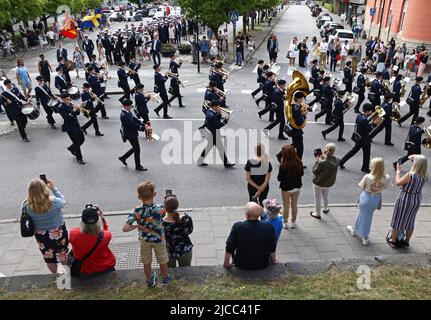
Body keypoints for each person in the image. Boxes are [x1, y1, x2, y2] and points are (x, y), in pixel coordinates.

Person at [122, 181, 172, 287]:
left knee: (146, 261)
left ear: (139, 197)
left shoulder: (136, 210)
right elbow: (168, 212)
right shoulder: (160, 208)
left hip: (144, 240)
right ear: (154, 194)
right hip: (159, 239)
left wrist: (138, 226)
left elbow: (125, 228)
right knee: (162, 260)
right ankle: (165, 279)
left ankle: (150, 280)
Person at [24, 178, 68, 274]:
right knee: (63, 252)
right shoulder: (54, 202)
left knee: (49, 256)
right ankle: (66, 271)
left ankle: (54, 274)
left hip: (42, 235)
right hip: (58, 232)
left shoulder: (27, 206)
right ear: (44, 189)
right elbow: (64, 201)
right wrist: (53, 188)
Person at [347, 158, 391, 245]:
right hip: (376, 199)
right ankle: (355, 229)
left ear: (374, 167)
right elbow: (386, 187)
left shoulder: (367, 176)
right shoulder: (387, 177)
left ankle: (365, 236)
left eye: (372, 165)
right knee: (365, 215)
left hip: (366, 197)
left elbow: (362, 186)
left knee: (366, 217)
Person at [388, 155, 428, 248]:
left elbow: (398, 183)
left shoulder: (410, 175)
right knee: (410, 220)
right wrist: (413, 157)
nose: (412, 162)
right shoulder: (425, 175)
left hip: (405, 198)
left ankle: (393, 240)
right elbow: (411, 157)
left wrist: (398, 171)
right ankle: (406, 241)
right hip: (416, 199)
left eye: (413, 161)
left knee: (398, 219)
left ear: (416, 164)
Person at [224, 202, 277, 270]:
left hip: (241, 263)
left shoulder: (238, 227)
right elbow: (272, 247)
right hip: (262, 263)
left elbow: (230, 246)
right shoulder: (268, 227)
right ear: (259, 215)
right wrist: (274, 261)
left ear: (246, 215)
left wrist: (226, 263)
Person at [69, 205, 116, 278]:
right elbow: (105, 230)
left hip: (84, 271)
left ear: (82, 221)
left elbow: (79, 231)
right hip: (105, 267)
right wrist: (101, 216)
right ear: (98, 221)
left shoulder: (73, 234)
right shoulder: (107, 235)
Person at [197, 99, 235, 168]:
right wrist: (226, 121)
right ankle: (226, 164)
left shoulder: (210, 111)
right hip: (213, 134)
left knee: (210, 148)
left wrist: (219, 113)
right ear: (214, 107)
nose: (219, 107)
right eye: (218, 106)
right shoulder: (211, 115)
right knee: (218, 148)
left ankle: (200, 160)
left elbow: (216, 117)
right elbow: (218, 126)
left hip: (211, 133)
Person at [340, 103, 374, 173]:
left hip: (359, 137)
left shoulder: (359, 116)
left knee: (353, 151)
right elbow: (369, 129)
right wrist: (374, 123)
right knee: (367, 154)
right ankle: (365, 167)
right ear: (368, 111)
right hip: (364, 139)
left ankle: (342, 161)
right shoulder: (365, 120)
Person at [162, 195, 194, 267]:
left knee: (170, 272)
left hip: (169, 251)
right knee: (186, 273)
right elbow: (189, 231)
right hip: (185, 250)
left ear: (165, 207)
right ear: (177, 206)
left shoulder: (161, 222)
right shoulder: (186, 219)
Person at [277, 145, 304, 229]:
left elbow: (279, 178)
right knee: (294, 205)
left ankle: (285, 222)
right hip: (296, 187)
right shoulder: (299, 162)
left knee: (286, 206)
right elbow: (302, 174)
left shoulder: (283, 165)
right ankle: (293, 222)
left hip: (286, 188)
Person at [118, 99, 148, 171]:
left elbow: (135, 119)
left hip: (132, 133)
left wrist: (143, 124)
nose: (131, 106)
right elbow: (132, 125)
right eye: (130, 105)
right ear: (126, 106)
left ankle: (123, 157)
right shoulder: (124, 115)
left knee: (135, 148)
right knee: (137, 149)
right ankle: (138, 166)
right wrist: (143, 128)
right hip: (130, 134)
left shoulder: (127, 111)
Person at [58, 93, 86, 164]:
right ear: (63, 100)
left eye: (69, 98)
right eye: (67, 99)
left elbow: (77, 114)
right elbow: (67, 117)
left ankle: (71, 148)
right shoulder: (60, 107)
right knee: (76, 142)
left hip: (76, 125)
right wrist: (74, 110)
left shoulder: (70, 104)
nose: (69, 100)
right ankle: (79, 158)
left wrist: (78, 109)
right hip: (69, 127)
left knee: (82, 139)